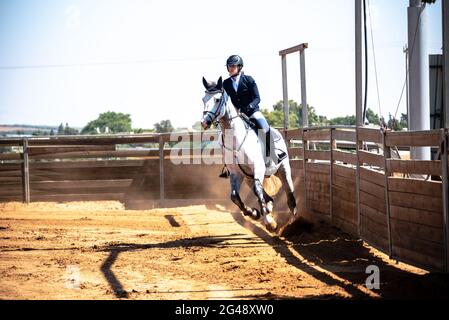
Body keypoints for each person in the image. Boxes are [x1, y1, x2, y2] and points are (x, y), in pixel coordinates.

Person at [223, 54, 286, 165]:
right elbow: (225, 100)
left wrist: (251, 106)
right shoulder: (226, 83)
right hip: (237, 114)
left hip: (252, 112)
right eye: (229, 66)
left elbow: (257, 98)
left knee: (265, 127)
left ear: (239, 67)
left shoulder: (248, 80)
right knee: (226, 132)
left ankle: (273, 155)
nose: (230, 68)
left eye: (233, 66)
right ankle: (228, 165)